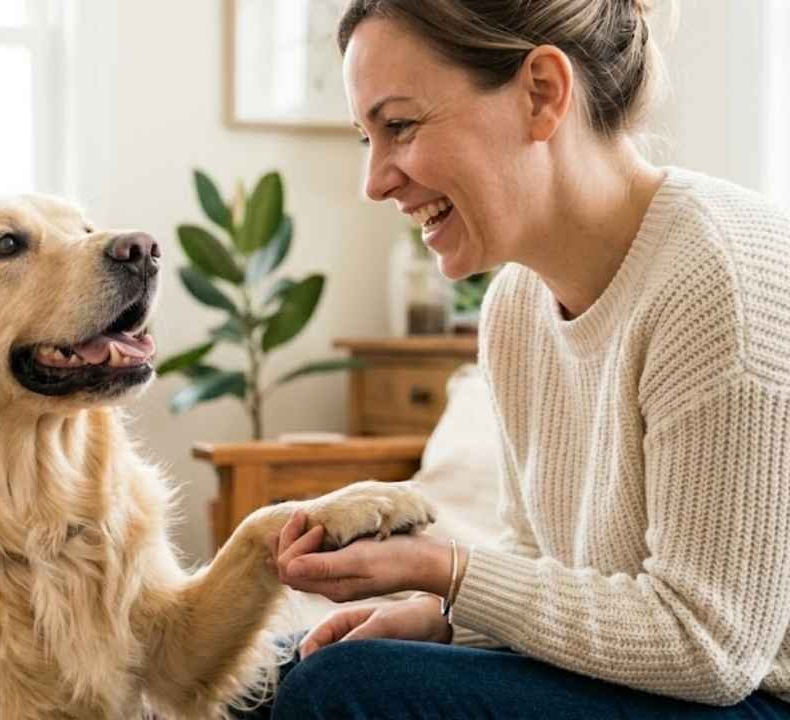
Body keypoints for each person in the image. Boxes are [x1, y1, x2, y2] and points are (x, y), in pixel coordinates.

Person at [247, 1, 790, 717]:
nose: (374, 182)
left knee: (340, 693)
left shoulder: (716, 275)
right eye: (365, 139)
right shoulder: (514, 309)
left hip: (754, 696)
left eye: (400, 126)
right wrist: (443, 620)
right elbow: (549, 569)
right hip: (661, 682)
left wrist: (445, 570)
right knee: (262, 679)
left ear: (541, 93)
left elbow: (709, 644)